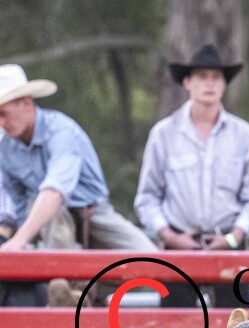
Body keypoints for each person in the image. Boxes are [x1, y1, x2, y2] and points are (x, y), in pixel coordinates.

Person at [135, 44, 249, 309]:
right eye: (202, 76)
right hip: (178, 248)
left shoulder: (244, 135)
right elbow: (147, 197)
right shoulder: (164, 133)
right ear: (187, 82)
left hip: (229, 247)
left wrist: (232, 238)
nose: (209, 83)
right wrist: (170, 237)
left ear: (224, 84)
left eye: (216, 77)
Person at [0, 63, 155, 254]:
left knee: (151, 258)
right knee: (51, 214)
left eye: (3, 114)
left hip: (93, 214)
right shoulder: (5, 149)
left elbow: (55, 192)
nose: (1, 123)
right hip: (48, 227)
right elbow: (20, 205)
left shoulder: (60, 131)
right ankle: (56, 272)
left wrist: (20, 239)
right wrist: (23, 243)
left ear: (26, 102)